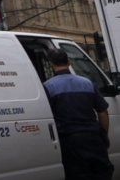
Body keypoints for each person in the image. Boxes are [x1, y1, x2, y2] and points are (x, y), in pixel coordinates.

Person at [43, 48, 113, 180]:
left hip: (69, 141)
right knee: (102, 173)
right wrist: (104, 135)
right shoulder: (87, 83)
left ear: (51, 64)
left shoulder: (47, 87)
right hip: (93, 138)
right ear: (69, 62)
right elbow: (103, 112)